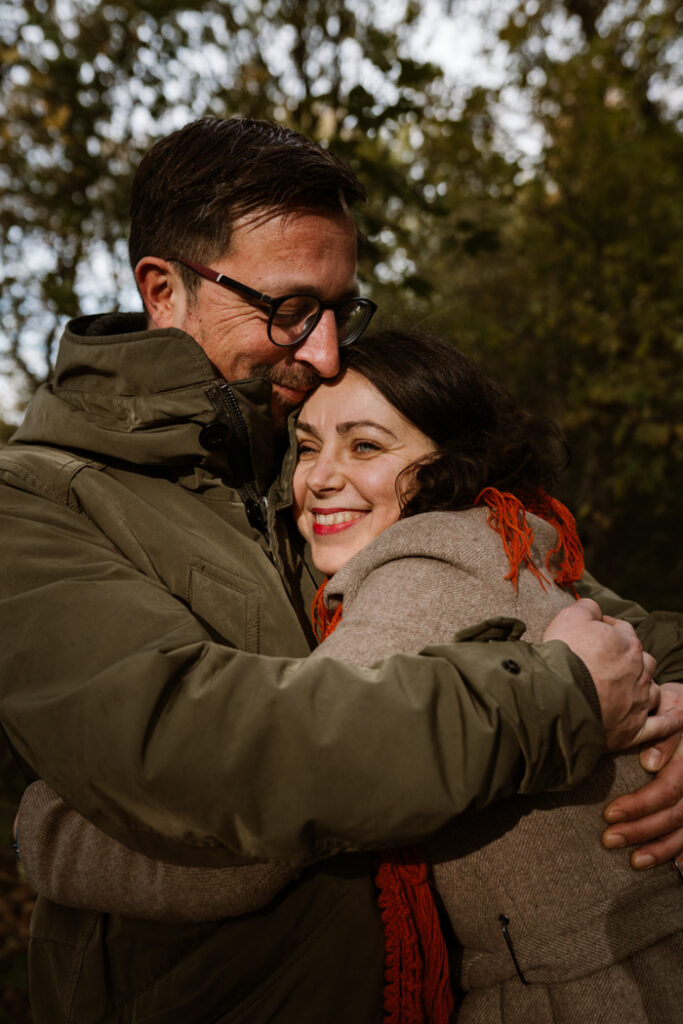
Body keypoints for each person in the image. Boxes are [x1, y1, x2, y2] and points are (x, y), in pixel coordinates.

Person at [0, 117, 680, 1024]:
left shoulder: (310, 458)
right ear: (164, 290)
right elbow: (201, 760)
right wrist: (554, 701)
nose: (324, 352)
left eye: (340, 309)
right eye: (287, 309)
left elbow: (584, 605)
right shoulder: (34, 505)